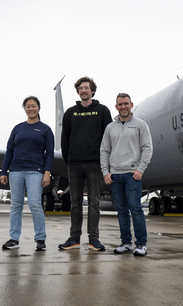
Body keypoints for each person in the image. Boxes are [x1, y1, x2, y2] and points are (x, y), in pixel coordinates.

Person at [59, 77, 112, 251]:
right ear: (78, 92)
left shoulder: (102, 111)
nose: (84, 91)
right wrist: (69, 159)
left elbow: (109, 138)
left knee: (94, 203)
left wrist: (105, 162)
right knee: (75, 203)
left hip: (94, 164)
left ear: (93, 91)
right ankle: (74, 238)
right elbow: (64, 139)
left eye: (87, 88)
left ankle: (93, 239)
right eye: (81, 88)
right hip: (74, 165)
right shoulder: (70, 113)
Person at [100, 93, 153, 256]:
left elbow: (147, 148)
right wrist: (105, 172)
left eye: (126, 104)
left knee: (135, 208)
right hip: (115, 176)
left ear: (131, 105)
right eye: (120, 104)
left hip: (132, 175)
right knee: (122, 210)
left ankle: (141, 244)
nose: (123, 107)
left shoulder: (140, 125)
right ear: (116, 107)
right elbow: (104, 150)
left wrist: (140, 169)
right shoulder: (110, 127)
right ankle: (125, 243)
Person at [0, 96, 54, 251]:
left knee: (35, 204)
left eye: (34, 106)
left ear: (39, 108)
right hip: (16, 171)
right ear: (24, 109)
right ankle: (14, 239)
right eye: (28, 106)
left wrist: (47, 173)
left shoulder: (45, 129)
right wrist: (4, 171)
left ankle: (40, 239)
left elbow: (49, 153)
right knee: (15, 205)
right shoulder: (17, 128)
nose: (31, 109)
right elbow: (9, 151)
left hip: (35, 171)